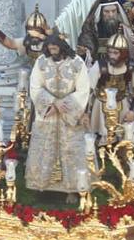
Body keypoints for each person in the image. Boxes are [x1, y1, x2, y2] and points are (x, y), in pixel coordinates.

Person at [26, 33, 91, 193]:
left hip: (70, 116)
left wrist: (64, 104)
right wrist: (52, 103)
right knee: (44, 149)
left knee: (71, 151)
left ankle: (73, 188)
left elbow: (83, 89)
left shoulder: (77, 63)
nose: (51, 48)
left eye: (55, 45)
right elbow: (35, 87)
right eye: (49, 45)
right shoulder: (41, 62)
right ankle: (42, 185)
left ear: (63, 45)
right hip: (47, 115)